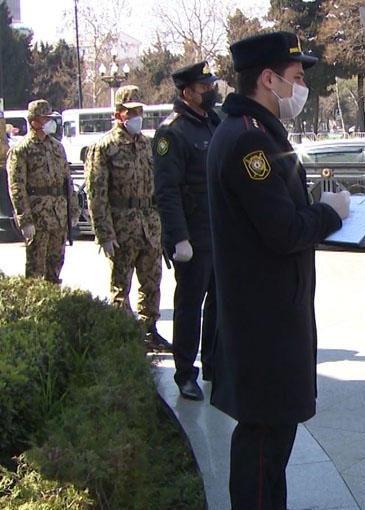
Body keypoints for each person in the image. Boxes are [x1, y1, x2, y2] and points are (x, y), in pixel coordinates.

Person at [206, 31, 350, 510]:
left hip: (272, 304)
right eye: (296, 77)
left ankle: (272, 506)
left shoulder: (258, 130)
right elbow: (284, 229)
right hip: (261, 311)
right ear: (267, 79)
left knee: (278, 415)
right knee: (263, 422)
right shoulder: (248, 140)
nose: (302, 86)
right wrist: (332, 211)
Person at [85, 85, 172, 352]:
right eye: (132, 111)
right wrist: (105, 234)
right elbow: (96, 195)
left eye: (140, 111)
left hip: (148, 224)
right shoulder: (104, 148)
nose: (138, 116)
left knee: (152, 281)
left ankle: (149, 331)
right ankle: (122, 336)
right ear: (119, 114)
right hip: (122, 226)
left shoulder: (147, 145)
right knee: (120, 285)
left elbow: (158, 187)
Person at [153, 61, 221, 401]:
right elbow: (166, 190)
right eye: (204, 86)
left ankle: (213, 364)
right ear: (187, 92)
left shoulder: (212, 122)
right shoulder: (173, 132)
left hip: (218, 234)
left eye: (210, 84)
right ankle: (185, 373)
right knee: (189, 305)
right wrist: (178, 237)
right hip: (192, 238)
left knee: (218, 304)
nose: (210, 90)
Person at [6, 99, 78, 283]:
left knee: (56, 266)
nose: (50, 122)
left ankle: (54, 305)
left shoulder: (57, 147)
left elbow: (67, 181)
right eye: (46, 118)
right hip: (37, 217)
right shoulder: (21, 150)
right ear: (34, 121)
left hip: (58, 216)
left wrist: (73, 211)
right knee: (35, 270)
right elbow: (17, 187)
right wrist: (25, 220)